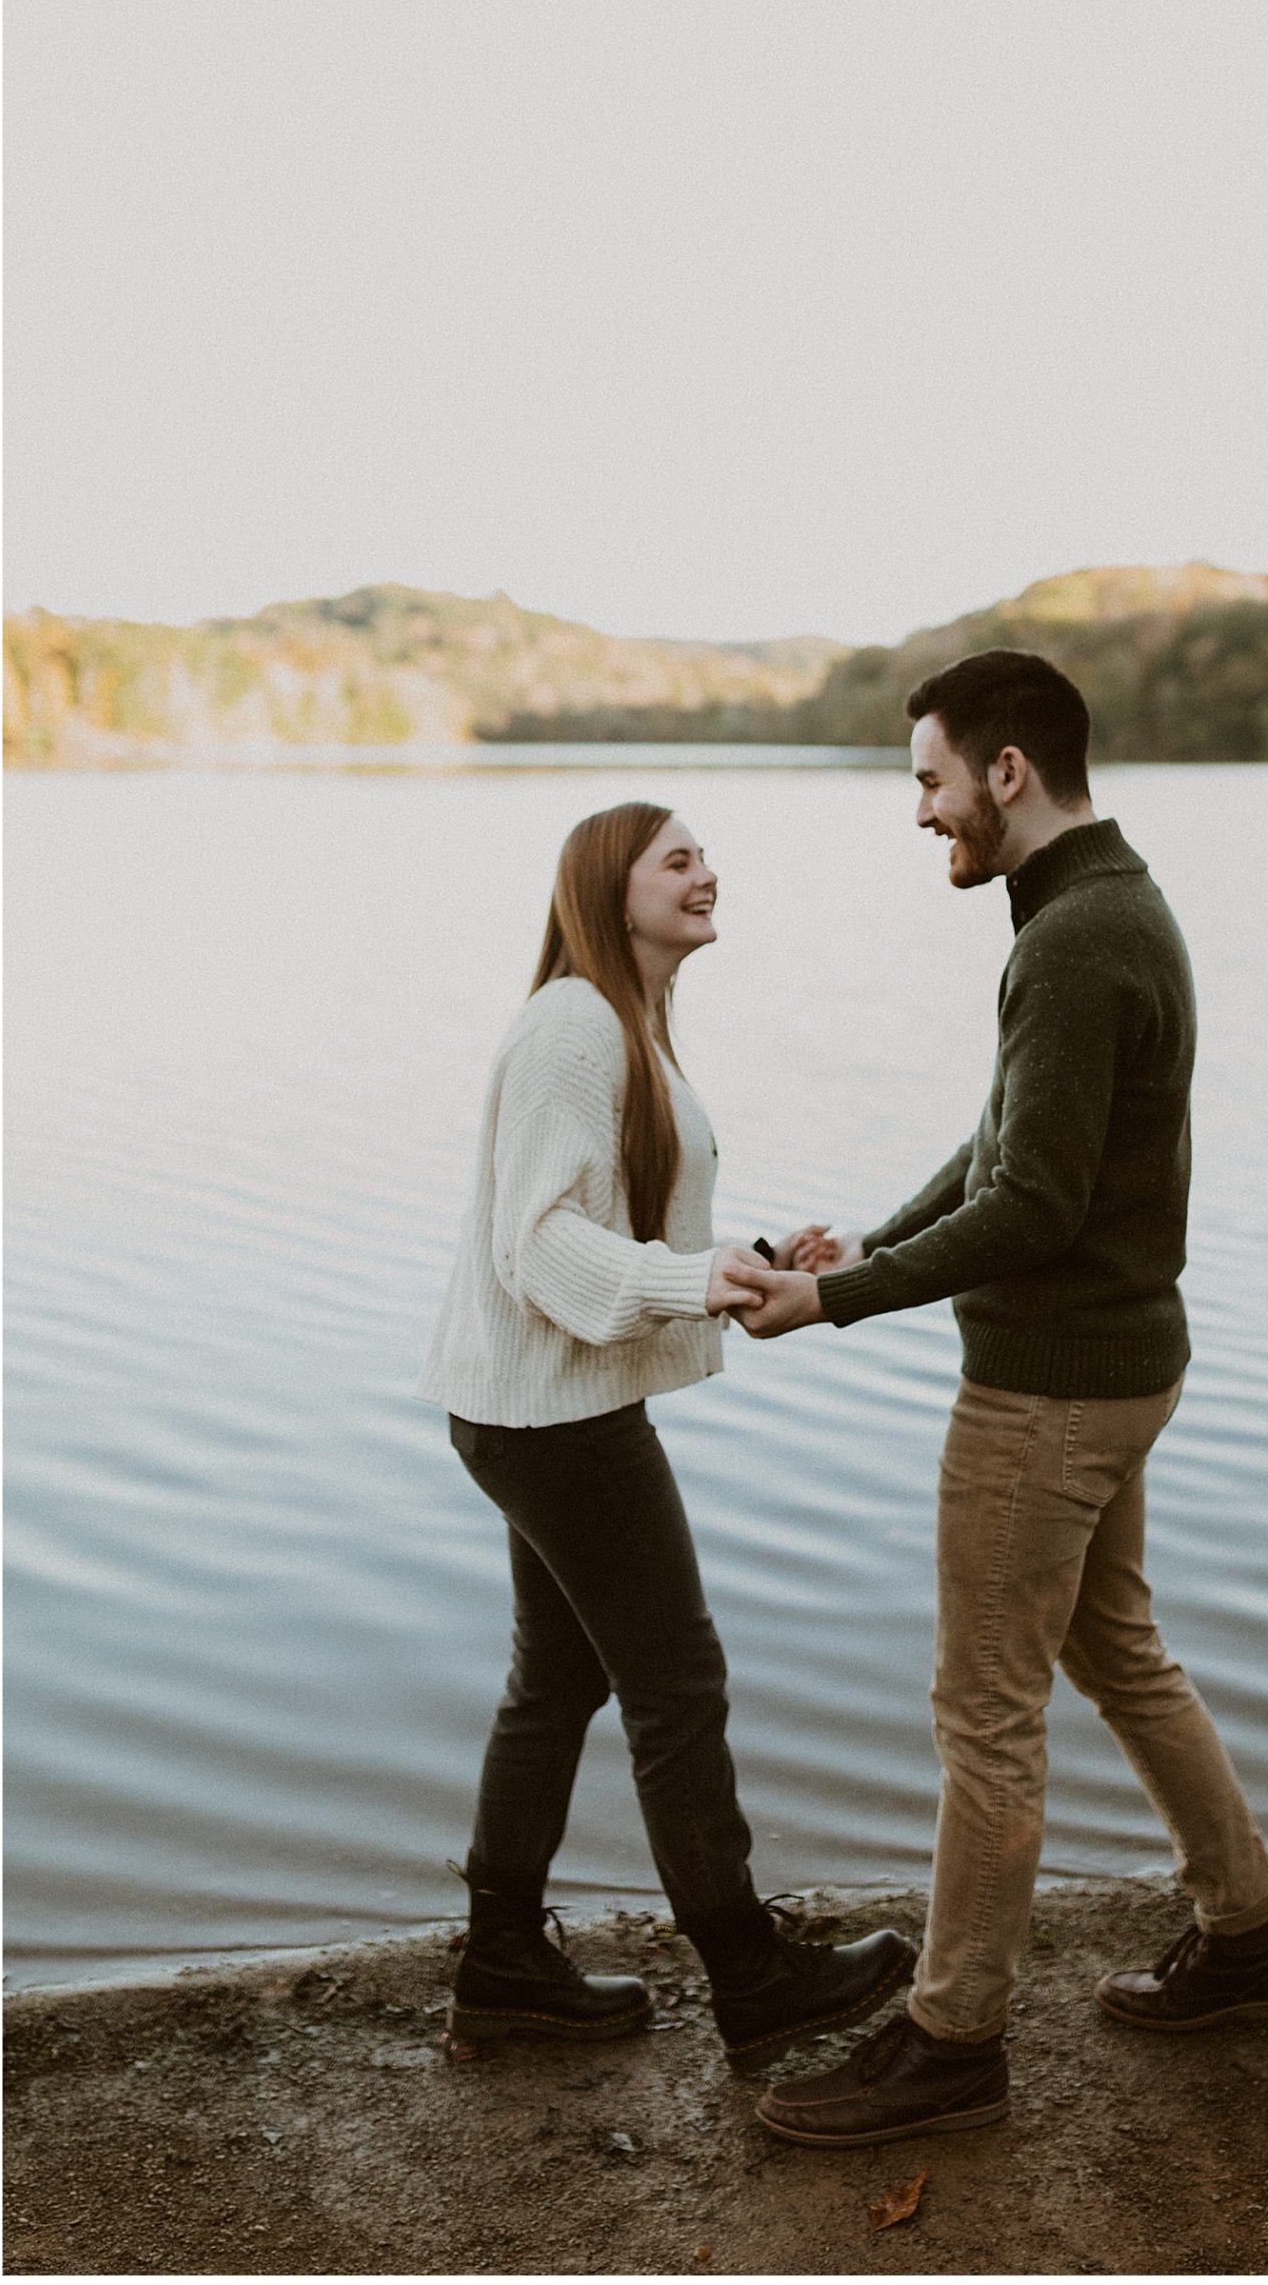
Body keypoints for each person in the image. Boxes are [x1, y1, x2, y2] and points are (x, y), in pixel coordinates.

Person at [734, 650, 1268, 2147]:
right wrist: (878, 1234)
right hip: (1125, 1367)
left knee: (983, 1716)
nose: (921, 812)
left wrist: (833, 1298)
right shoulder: (1103, 905)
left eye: (930, 779)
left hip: (1047, 1397)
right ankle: (1249, 1935)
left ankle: (950, 2039)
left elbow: (1036, 1207)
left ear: (1005, 772)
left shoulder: (1071, 939)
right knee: (1119, 1654)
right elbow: (1008, 1141)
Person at [419, 800, 913, 2063]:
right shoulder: (574, 1027)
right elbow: (540, 1244)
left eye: (705, 854)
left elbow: (610, 1221)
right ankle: (749, 1975)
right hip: (556, 1419)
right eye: (678, 859)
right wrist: (691, 1283)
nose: (707, 875)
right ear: (612, 887)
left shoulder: (621, 1017)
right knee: (676, 1681)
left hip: (537, 1406)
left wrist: (737, 1258)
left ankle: (502, 1961)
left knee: (564, 1674)